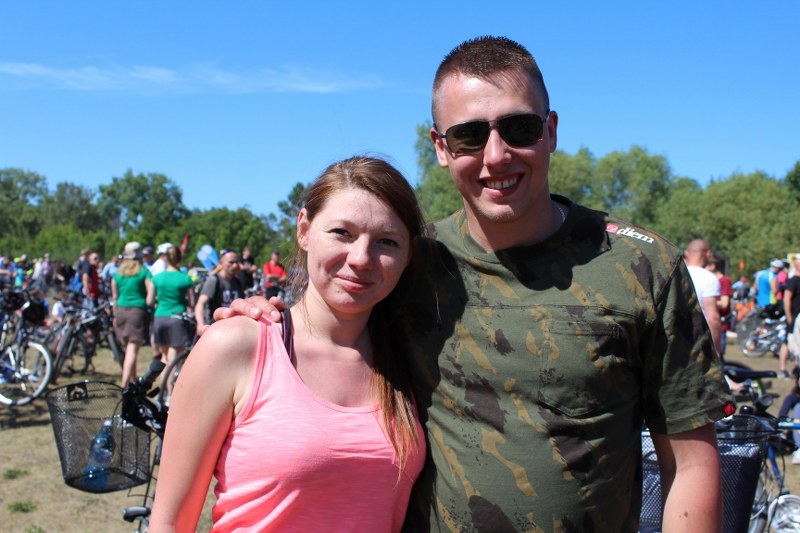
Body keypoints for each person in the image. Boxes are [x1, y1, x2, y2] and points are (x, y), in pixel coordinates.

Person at [220, 36, 732, 532]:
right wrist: (263, 320)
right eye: (469, 135)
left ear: (551, 131)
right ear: (441, 148)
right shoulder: (412, 261)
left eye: (520, 128)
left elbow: (690, 464)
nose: (496, 155)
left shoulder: (640, 265)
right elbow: (329, 326)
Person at [150, 156, 427, 532]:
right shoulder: (235, 346)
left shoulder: (414, 358)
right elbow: (169, 523)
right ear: (304, 230)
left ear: (408, 255)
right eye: (342, 233)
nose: (361, 258)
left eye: (387, 241)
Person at [147, 245, 195, 394]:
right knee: (174, 358)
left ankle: (163, 391)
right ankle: (170, 393)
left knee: (164, 357)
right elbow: (192, 302)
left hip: (160, 317)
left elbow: (149, 301)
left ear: (165, 258)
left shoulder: (156, 278)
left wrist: (159, 303)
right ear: (180, 258)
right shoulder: (185, 278)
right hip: (177, 319)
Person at [112, 242, 154, 386]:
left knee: (128, 350)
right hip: (137, 312)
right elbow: (150, 292)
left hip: (120, 311)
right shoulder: (144, 272)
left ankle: (132, 381)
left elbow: (115, 297)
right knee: (132, 350)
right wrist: (150, 303)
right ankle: (124, 386)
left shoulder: (118, 274)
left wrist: (114, 315)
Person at [684, 239, 722, 356]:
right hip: (697, 341)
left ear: (686, 253)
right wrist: (716, 349)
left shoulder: (674, 272)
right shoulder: (708, 278)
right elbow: (712, 318)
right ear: (708, 254)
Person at [193, 249, 243, 336]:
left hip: (233, 329)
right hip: (215, 329)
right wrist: (200, 323)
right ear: (221, 263)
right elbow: (201, 303)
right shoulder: (214, 280)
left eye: (236, 262)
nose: (235, 265)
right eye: (231, 262)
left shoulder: (238, 282)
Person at [707, 255, 733, 356]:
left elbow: (724, 303)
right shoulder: (708, 280)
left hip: (720, 324)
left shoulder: (724, 281)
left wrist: (706, 301)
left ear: (712, 266)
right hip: (709, 323)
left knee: (718, 356)